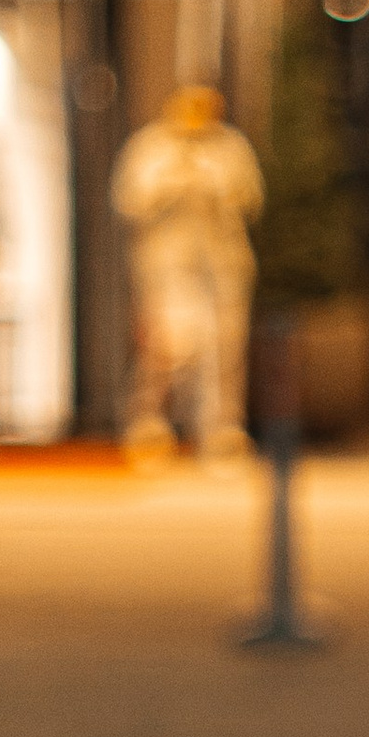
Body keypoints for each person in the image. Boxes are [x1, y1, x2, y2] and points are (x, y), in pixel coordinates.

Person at [111, 80, 263, 457]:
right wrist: (175, 180)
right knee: (167, 346)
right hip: (169, 265)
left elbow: (250, 198)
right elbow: (131, 200)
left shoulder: (229, 146)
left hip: (223, 261)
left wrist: (212, 183)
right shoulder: (152, 145)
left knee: (226, 349)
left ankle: (223, 428)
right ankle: (150, 421)